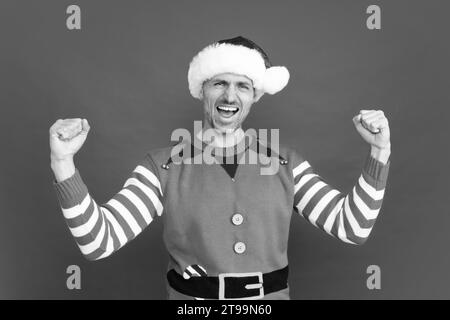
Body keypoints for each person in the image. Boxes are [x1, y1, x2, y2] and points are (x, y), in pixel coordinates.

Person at [49, 36, 391, 300]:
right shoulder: (162, 167)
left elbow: (353, 227)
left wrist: (379, 152)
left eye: (242, 85)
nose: (230, 96)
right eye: (219, 83)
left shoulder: (286, 164)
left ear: (255, 96)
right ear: (202, 90)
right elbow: (98, 241)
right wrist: (63, 163)